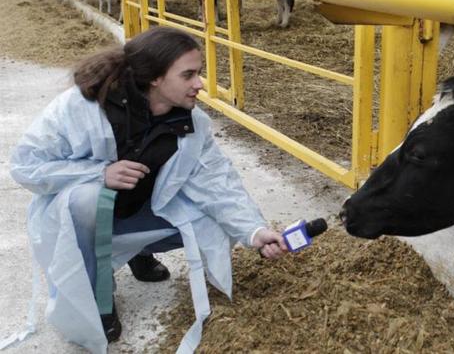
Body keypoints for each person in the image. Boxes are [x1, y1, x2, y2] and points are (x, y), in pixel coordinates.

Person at [10, 26, 288, 353]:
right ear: (155, 78)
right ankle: (98, 298)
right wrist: (99, 173)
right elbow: (25, 165)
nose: (199, 84)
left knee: (212, 220)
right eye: (189, 75)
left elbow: (218, 182)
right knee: (86, 201)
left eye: (198, 74)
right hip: (86, 220)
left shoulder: (190, 123)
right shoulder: (81, 106)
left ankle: (140, 252)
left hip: (140, 210)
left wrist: (253, 231)